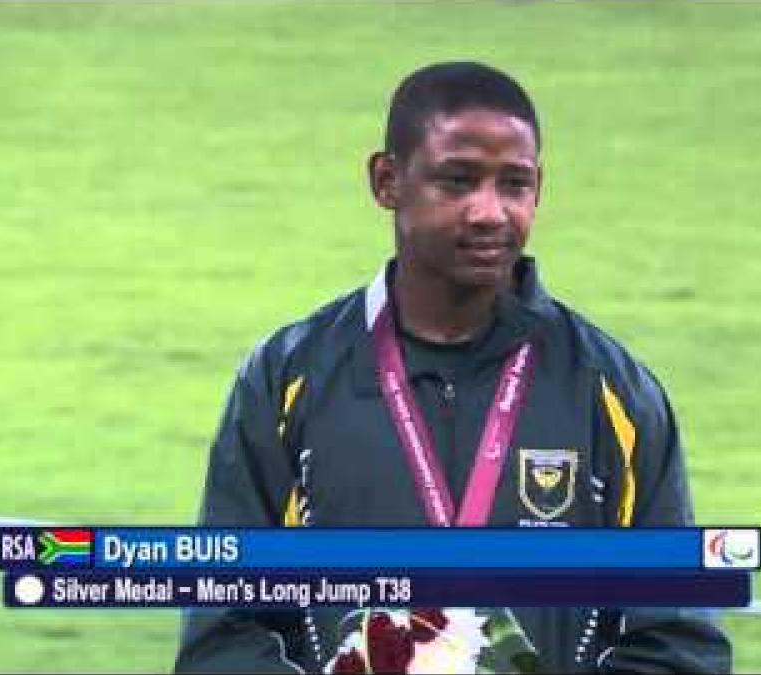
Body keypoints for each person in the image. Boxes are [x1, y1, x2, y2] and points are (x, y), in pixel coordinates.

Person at [175, 61, 732, 674]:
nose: (490, 212)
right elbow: (221, 635)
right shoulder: (287, 381)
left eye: (514, 185)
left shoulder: (613, 391)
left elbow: (682, 645)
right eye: (459, 181)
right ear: (387, 181)